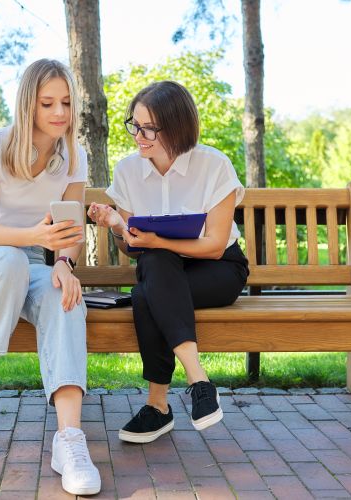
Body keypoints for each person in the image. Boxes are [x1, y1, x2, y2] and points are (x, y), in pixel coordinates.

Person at [0, 59, 100, 496]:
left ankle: (69, 440)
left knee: (63, 298)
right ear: (27, 103)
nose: (60, 112)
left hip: (31, 261)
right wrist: (33, 235)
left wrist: (65, 266)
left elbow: (68, 231)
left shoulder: (74, 157)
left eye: (67, 102)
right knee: (9, 260)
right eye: (48, 102)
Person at [88, 81, 249, 444]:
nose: (138, 136)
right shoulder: (128, 171)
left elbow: (214, 245)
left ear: (177, 128)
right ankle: (199, 383)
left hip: (219, 269)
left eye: (149, 129)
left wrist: (157, 241)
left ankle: (158, 408)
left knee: (151, 288)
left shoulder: (214, 165)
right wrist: (117, 225)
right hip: (163, 272)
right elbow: (135, 248)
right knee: (153, 276)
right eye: (135, 125)